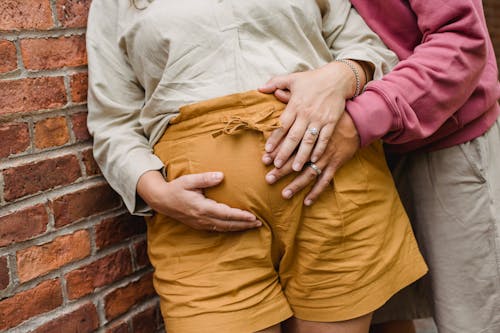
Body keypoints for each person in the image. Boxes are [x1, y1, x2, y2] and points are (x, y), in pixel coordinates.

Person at [86, 0, 428, 332]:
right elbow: (113, 121)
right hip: (199, 226)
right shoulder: (116, 4)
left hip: (332, 192)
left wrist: (342, 76)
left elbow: (371, 51)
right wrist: (155, 192)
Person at [258, 1, 500, 332]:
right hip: (354, 156)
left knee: (470, 319)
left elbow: (460, 40)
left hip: (443, 142)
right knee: (383, 316)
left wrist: (361, 119)